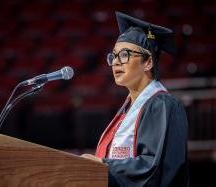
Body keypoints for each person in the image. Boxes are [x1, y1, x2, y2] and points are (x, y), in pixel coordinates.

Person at [81, 11, 189, 187]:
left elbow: (156, 168)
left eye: (124, 54)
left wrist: (104, 166)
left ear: (148, 63)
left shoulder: (163, 105)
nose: (116, 62)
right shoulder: (127, 111)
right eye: (114, 56)